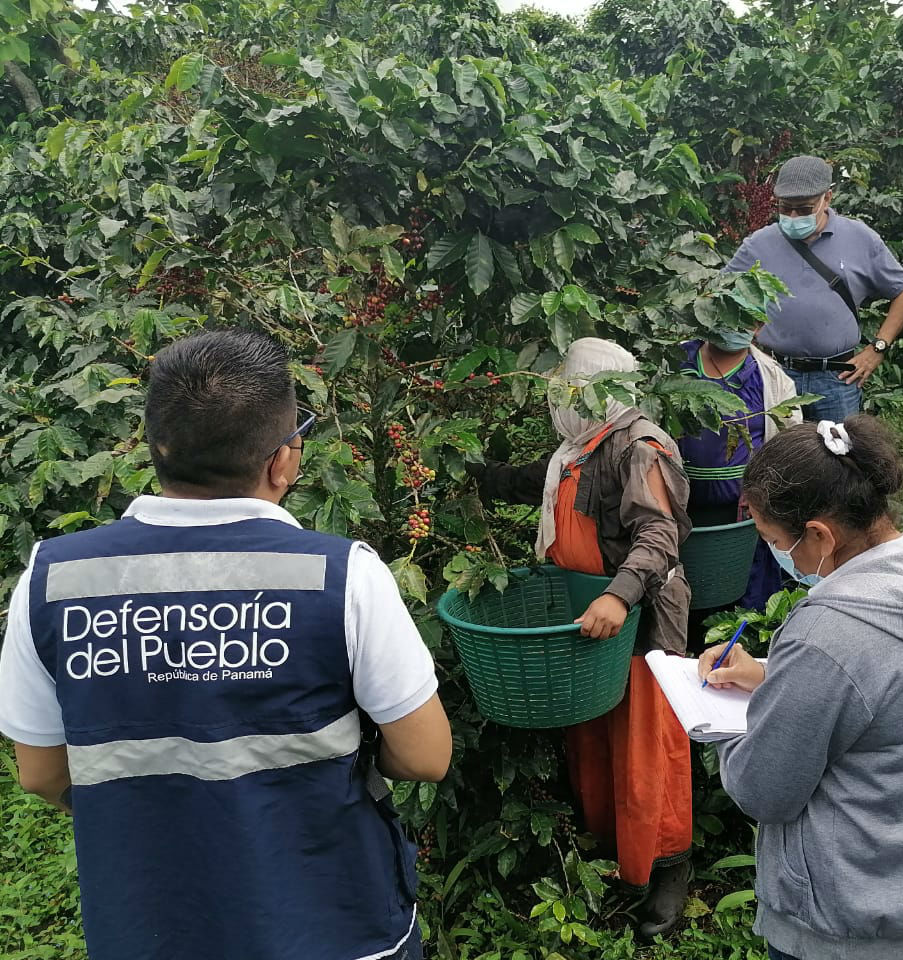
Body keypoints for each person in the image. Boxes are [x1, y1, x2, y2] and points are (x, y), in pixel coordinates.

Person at [0, 329, 452, 960]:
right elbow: (426, 755)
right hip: (336, 922)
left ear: (157, 446)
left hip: (149, 924)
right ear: (282, 459)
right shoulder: (343, 575)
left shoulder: (52, 581)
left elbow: (41, 774)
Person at [698, 415, 903, 960]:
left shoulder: (829, 635)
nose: (772, 552)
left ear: (819, 534)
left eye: (771, 539)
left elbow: (764, 790)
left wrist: (714, 715)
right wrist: (769, 673)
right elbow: (890, 693)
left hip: (839, 920)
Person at [471, 337, 694, 939]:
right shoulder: (580, 446)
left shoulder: (640, 447)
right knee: (593, 738)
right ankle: (610, 852)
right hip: (582, 618)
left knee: (646, 746)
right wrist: (477, 477)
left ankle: (667, 866)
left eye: (570, 389)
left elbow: (658, 536)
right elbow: (540, 485)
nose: (560, 400)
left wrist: (617, 595)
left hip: (636, 623)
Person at [724, 155, 903, 420]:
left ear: (827, 198)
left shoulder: (859, 238)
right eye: (785, 208)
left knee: (838, 456)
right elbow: (721, 295)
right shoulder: (759, 244)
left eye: (804, 209)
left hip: (837, 379)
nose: (793, 216)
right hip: (774, 373)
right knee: (777, 457)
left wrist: (877, 349)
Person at [677, 326, 802, 610]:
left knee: (741, 590)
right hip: (680, 506)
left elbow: (787, 444)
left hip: (741, 512)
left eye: (747, 319)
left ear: (758, 326)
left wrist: (763, 488)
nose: (736, 327)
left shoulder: (770, 377)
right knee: (682, 588)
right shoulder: (675, 361)